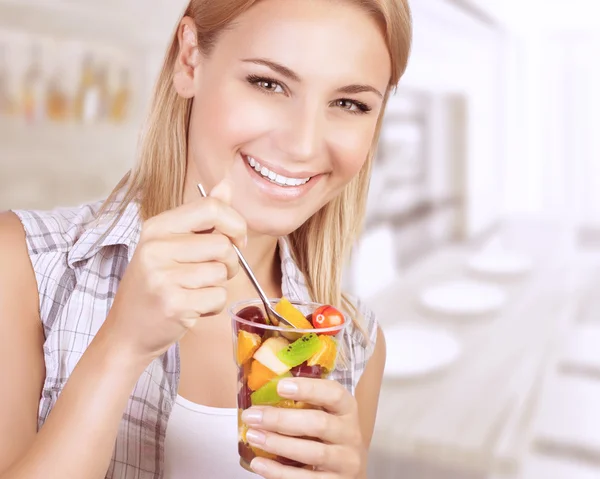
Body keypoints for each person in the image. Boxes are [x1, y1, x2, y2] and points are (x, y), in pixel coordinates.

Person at [0, 0, 412, 477]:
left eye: (349, 104)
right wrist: (122, 346)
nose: (302, 144)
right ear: (190, 60)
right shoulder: (23, 266)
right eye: (268, 83)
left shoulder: (356, 345)